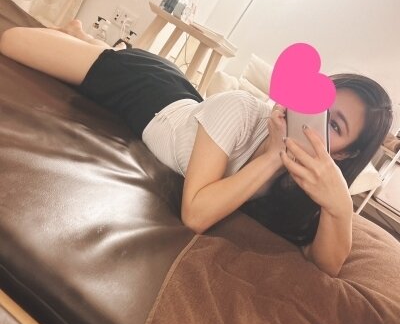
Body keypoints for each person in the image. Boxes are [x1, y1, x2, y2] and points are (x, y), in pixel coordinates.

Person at [0, 21, 393, 277]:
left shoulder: (311, 186)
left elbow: (326, 264)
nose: (312, 120)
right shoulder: (242, 110)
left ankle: (85, 37)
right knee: (12, 40)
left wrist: (338, 206)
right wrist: (274, 156)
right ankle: (86, 39)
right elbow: (196, 212)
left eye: (333, 125)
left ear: (343, 154)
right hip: (146, 91)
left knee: (92, 50)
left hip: (187, 105)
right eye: (319, 104)